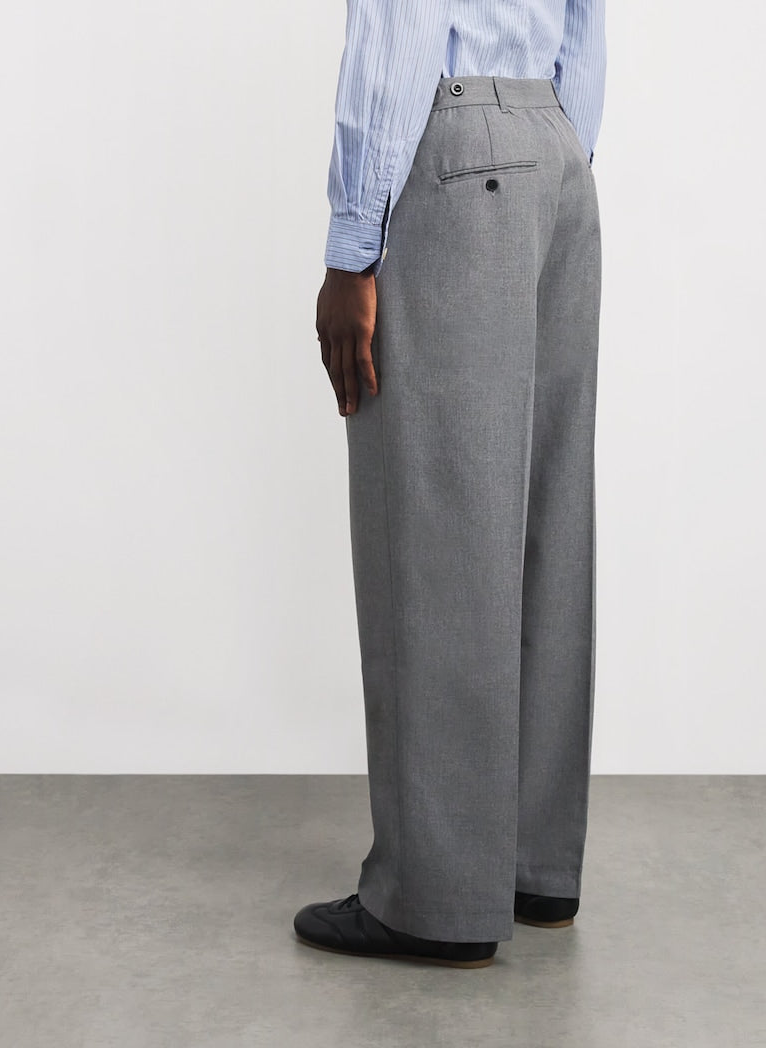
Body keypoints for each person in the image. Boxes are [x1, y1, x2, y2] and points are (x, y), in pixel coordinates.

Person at [295, 0, 606, 969]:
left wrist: (353, 246)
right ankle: (530, 864)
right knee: (545, 515)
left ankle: (436, 899)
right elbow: (586, 24)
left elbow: (400, 26)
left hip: (461, 149)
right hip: (557, 152)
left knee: (442, 525)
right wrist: (557, 149)